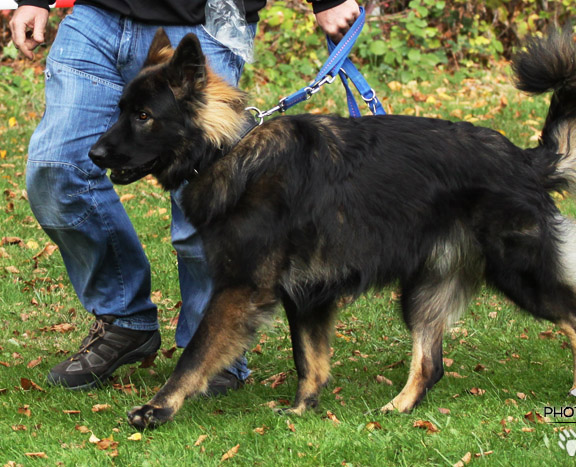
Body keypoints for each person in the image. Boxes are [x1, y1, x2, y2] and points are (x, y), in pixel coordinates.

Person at [10, 0, 360, 393]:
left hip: (206, 16)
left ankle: (210, 349)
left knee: (214, 205)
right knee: (57, 171)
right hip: (98, 13)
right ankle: (124, 322)